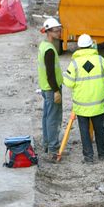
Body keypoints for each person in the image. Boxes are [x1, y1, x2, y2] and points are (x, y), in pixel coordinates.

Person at [63, 34, 104, 164]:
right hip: (97, 103)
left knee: (84, 131)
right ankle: (103, 154)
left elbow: (68, 83)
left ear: (79, 47)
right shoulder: (100, 60)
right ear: (92, 45)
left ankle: (88, 157)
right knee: (100, 129)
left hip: (82, 105)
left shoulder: (74, 63)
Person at [38, 17, 64, 161]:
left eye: (59, 30)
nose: (59, 32)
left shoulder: (44, 45)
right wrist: (56, 91)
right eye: (56, 30)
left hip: (45, 88)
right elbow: (50, 73)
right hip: (51, 88)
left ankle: (47, 144)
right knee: (53, 118)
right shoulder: (49, 50)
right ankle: (53, 149)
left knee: (47, 117)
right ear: (48, 32)